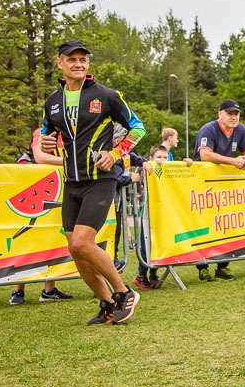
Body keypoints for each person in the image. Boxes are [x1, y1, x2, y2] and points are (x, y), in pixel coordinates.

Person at [40, 40, 145, 325]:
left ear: (88, 64)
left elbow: (138, 128)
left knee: (85, 243)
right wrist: (47, 142)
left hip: (100, 178)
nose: (78, 64)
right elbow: (47, 137)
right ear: (60, 63)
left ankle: (124, 293)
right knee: (75, 248)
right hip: (71, 181)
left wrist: (115, 153)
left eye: (83, 59)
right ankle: (107, 303)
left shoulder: (107, 95)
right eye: (72, 59)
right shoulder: (52, 101)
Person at [9, 127, 75, 305]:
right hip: (33, 190)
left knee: (52, 239)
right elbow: (40, 157)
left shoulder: (72, 134)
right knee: (25, 240)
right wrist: (72, 162)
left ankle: (49, 290)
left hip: (56, 193)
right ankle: (18, 291)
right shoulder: (42, 131)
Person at [192, 99, 245, 282]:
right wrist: (233, 161)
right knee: (203, 226)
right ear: (220, 113)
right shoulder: (208, 129)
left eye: (236, 114)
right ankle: (202, 267)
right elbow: (205, 154)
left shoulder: (240, 129)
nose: (234, 117)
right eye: (230, 113)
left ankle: (223, 266)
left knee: (227, 225)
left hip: (226, 188)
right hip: (203, 187)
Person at [110, 124, 152, 272]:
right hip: (108, 201)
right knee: (111, 231)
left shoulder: (122, 153)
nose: (126, 142)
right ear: (116, 140)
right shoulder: (111, 155)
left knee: (116, 230)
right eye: (123, 139)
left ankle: (113, 259)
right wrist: (131, 179)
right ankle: (111, 260)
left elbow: (131, 157)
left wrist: (143, 162)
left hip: (116, 202)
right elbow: (115, 177)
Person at [134, 145, 169, 289]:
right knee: (145, 245)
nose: (162, 160)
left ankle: (154, 273)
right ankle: (141, 275)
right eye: (159, 157)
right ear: (151, 159)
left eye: (165, 157)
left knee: (159, 243)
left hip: (163, 213)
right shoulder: (147, 170)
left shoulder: (169, 170)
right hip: (148, 215)